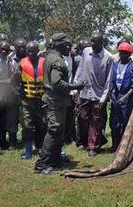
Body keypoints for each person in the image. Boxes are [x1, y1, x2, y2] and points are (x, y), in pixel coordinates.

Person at [34, 33, 84, 174]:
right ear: (59, 44)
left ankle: (55, 160)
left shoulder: (51, 57)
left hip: (57, 100)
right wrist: (75, 86)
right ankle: (42, 163)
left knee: (59, 131)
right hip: (55, 101)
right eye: (66, 44)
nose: (69, 47)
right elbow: (57, 82)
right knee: (54, 130)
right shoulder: (57, 60)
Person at [74, 31, 113, 157]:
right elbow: (80, 69)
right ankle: (90, 141)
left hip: (98, 94)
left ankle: (93, 147)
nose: (92, 44)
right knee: (83, 118)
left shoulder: (108, 57)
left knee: (96, 121)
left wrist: (104, 98)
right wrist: (75, 89)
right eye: (91, 41)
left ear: (102, 43)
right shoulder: (86, 52)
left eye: (95, 41)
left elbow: (109, 79)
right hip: (85, 92)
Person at [15, 41, 46, 160]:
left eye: (33, 51)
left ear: (38, 50)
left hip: (42, 100)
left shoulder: (44, 62)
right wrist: (18, 91)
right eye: (29, 51)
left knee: (43, 125)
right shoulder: (21, 64)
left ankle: (42, 147)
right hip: (27, 101)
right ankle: (28, 150)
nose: (31, 53)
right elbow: (14, 80)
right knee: (27, 126)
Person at [109, 41, 133, 151]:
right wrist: (111, 92)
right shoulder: (115, 65)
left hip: (127, 97)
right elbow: (112, 80)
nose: (122, 55)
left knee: (126, 122)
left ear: (129, 54)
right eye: (120, 53)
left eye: (125, 53)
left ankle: (124, 146)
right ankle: (115, 145)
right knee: (114, 122)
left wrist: (126, 97)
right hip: (116, 96)